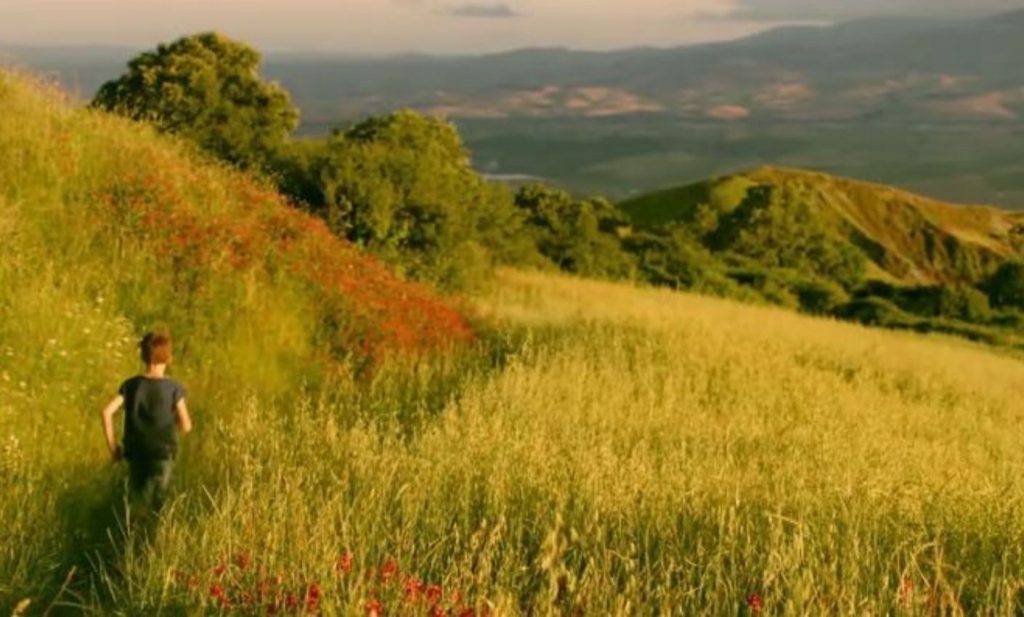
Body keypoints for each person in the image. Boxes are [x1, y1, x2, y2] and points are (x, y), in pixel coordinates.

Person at [100, 331, 192, 512]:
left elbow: (106, 412)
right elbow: (186, 425)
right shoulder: (174, 388)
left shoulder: (130, 385)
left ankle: (133, 532)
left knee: (137, 502)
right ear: (169, 358)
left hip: (136, 453)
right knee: (158, 505)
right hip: (162, 453)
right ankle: (150, 535)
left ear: (143, 356)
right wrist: (172, 424)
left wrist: (114, 448)